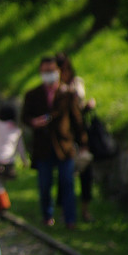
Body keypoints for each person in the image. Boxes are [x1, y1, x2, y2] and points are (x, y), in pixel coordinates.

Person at [21, 56, 89, 228]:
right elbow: (24, 117)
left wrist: (83, 143)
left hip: (64, 146)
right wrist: (33, 122)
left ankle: (70, 219)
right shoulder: (33, 94)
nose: (48, 75)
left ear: (58, 71)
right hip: (43, 146)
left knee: (67, 183)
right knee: (45, 185)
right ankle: (47, 216)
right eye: (45, 72)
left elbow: (77, 120)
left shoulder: (67, 94)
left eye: (51, 71)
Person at [56, 52, 97, 222]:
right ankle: (64, 209)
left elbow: (79, 112)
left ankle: (85, 210)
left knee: (86, 175)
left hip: (81, 135)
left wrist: (86, 106)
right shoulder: (55, 88)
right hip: (65, 137)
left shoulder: (76, 83)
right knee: (65, 176)